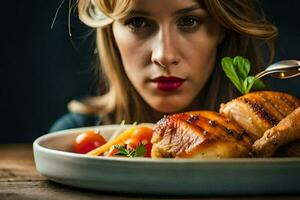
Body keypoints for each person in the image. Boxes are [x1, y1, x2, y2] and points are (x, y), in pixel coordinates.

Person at [50, 0, 278, 132]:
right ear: (110, 33)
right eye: (137, 22)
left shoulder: (278, 135)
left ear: (222, 28)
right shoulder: (72, 139)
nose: (164, 55)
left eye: (189, 21)